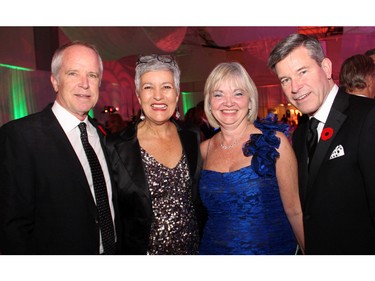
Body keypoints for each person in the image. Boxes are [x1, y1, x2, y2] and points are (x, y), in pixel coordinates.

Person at [0, 41, 120, 254]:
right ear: (55, 81)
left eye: (92, 75)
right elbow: (12, 227)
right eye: (73, 73)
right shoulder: (21, 136)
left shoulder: (101, 136)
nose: (84, 83)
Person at [268, 33, 375, 254]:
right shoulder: (301, 133)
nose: (295, 87)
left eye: (302, 72)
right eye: (285, 80)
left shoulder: (367, 117)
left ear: (326, 68)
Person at [198, 62, 304, 255]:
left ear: (250, 100)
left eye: (238, 93)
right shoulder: (203, 150)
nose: (228, 102)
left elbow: (295, 210)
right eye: (218, 94)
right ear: (209, 103)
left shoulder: (275, 143)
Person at [104, 54, 205, 254]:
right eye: (149, 87)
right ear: (139, 95)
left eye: (166, 87)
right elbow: (111, 214)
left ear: (176, 94)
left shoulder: (192, 136)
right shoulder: (116, 146)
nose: (158, 95)